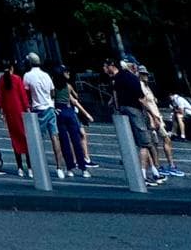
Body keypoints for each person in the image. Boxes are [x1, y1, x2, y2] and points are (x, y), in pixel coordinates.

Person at [105, 56, 164, 186]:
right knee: (145, 143)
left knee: (143, 143)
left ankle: (154, 171)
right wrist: (154, 115)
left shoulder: (116, 79)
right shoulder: (131, 78)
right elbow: (141, 99)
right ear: (132, 66)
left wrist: (116, 109)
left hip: (123, 112)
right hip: (134, 111)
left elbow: (114, 97)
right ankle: (143, 175)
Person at [23, 53, 67, 180]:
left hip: (38, 109)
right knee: (55, 137)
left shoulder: (27, 76)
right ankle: (59, 167)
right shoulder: (46, 75)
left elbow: (26, 92)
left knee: (37, 139)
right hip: (50, 107)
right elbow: (52, 92)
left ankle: (37, 166)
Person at [139, 72, 183, 178]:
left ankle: (166, 165)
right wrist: (152, 117)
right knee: (157, 142)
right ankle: (161, 166)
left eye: (147, 74)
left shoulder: (147, 86)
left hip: (157, 117)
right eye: (144, 74)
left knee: (161, 141)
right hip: (152, 118)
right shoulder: (141, 85)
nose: (146, 76)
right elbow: (143, 102)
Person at [54, 67, 95, 178]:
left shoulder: (54, 87)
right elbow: (75, 98)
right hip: (69, 111)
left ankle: (69, 168)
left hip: (59, 112)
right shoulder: (68, 86)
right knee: (76, 140)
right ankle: (83, 168)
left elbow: (51, 98)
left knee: (64, 142)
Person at [0, 62, 31, 177]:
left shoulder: (2, 80)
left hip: (9, 114)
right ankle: (30, 167)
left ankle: (19, 167)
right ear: (12, 68)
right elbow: (23, 96)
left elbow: (0, 97)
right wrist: (27, 109)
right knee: (26, 139)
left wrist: (2, 112)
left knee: (15, 140)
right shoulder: (17, 79)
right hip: (20, 112)